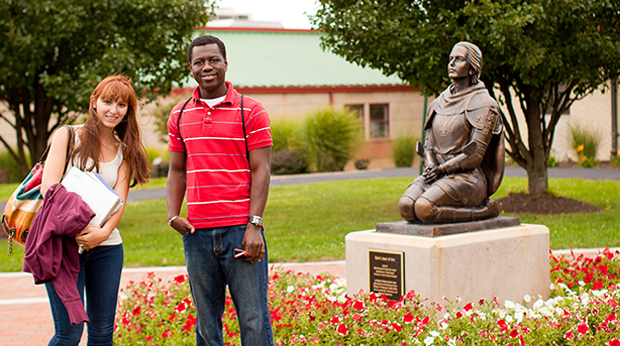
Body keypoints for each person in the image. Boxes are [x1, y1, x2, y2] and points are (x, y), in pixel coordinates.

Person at [166, 35, 273, 345]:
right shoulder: (180, 114)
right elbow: (176, 170)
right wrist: (173, 215)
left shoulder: (251, 111)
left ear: (226, 63)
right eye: (199, 62)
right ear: (191, 68)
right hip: (197, 234)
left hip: (241, 232)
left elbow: (261, 171)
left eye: (213, 60)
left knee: (253, 319)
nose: (207, 67)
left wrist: (254, 225)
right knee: (206, 323)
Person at [39, 75, 150, 345]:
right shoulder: (67, 136)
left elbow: (119, 201)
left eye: (121, 105)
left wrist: (103, 233)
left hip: (107, 248)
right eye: (108, 102)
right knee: (69, 334)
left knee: (102, 335)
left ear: (128, 111)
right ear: (94, 102)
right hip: (65, 247)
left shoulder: (125, 150)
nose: (114, 110)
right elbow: (49, 188)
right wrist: (81, 226)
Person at [398, 41, 505, 224]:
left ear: (472, 68)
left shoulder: (484, 105)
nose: (451, 64)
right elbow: (428, 146)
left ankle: (483, 212)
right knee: (406, 207)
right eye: (450, 59)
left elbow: (475, 155)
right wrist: (432, 166)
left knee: (424, 208)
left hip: (468, 179)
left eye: (459, 59)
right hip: (438, 173)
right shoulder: (437, 103)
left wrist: (442, 169)